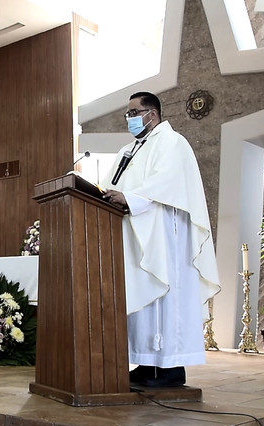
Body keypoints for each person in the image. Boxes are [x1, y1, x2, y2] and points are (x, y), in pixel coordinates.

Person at [101, 92, 220, 388]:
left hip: (165, 237)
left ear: (151, 114)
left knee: (163, 299)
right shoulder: (129, 150)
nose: (128, 119)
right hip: (138, 233)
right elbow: (111, 185)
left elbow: (165, 184)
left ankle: (168, 369)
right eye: (127, 114)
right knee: (143, 300)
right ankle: (146, 363)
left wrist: (128, 198)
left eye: (133, 112)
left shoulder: (172, 142)